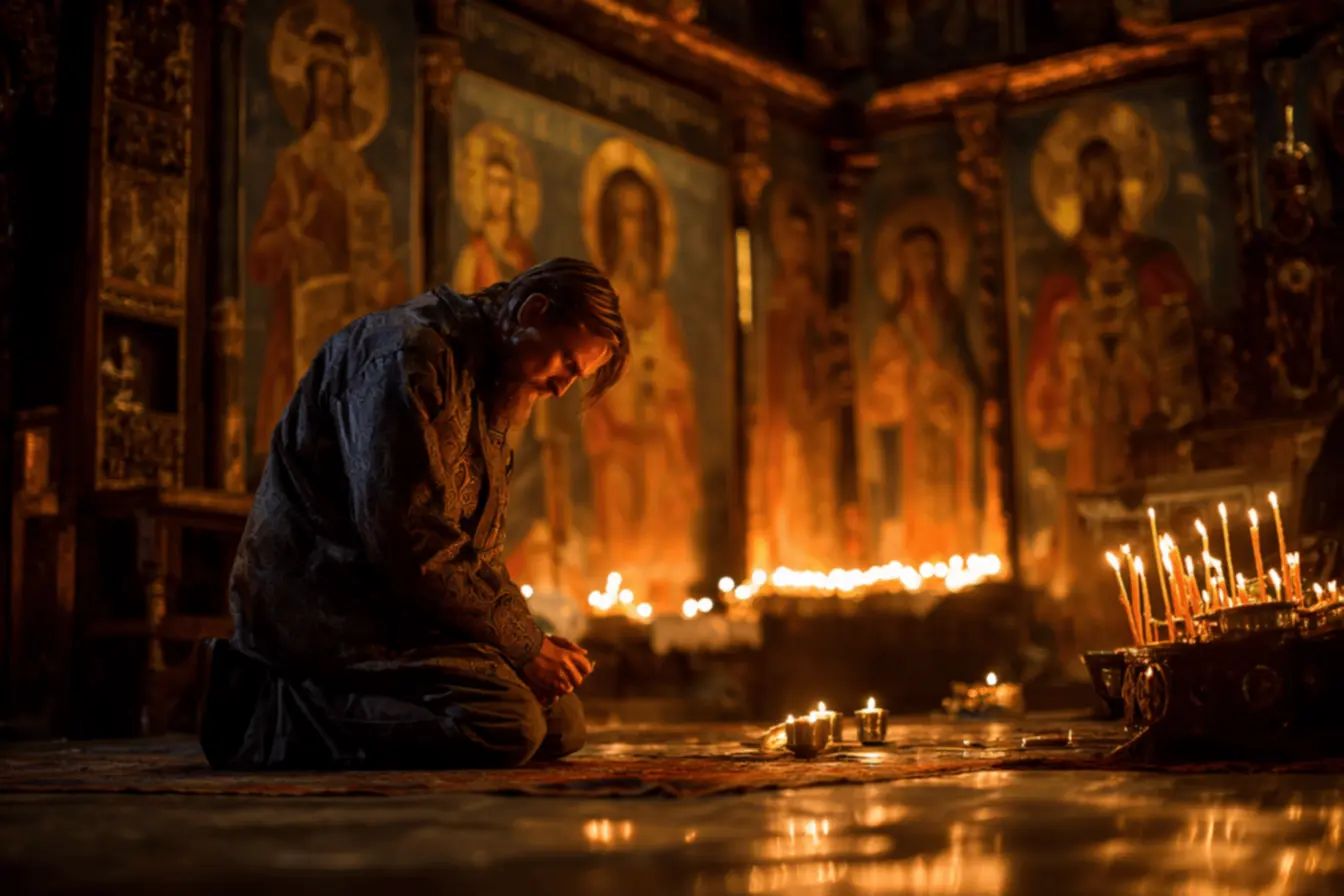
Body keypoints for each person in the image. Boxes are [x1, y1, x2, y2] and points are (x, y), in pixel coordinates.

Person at [200, 258, 629, 770]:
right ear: (531, 311)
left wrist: (526, 644)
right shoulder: (407, 353)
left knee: (561, 725)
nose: (562, 387)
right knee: (506, 724)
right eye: (564, 361)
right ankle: (270, 711)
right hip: (332, 606)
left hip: (405, 610)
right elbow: (407, 539)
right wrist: (524, 645)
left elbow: (478, 550)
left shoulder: (492, 381)